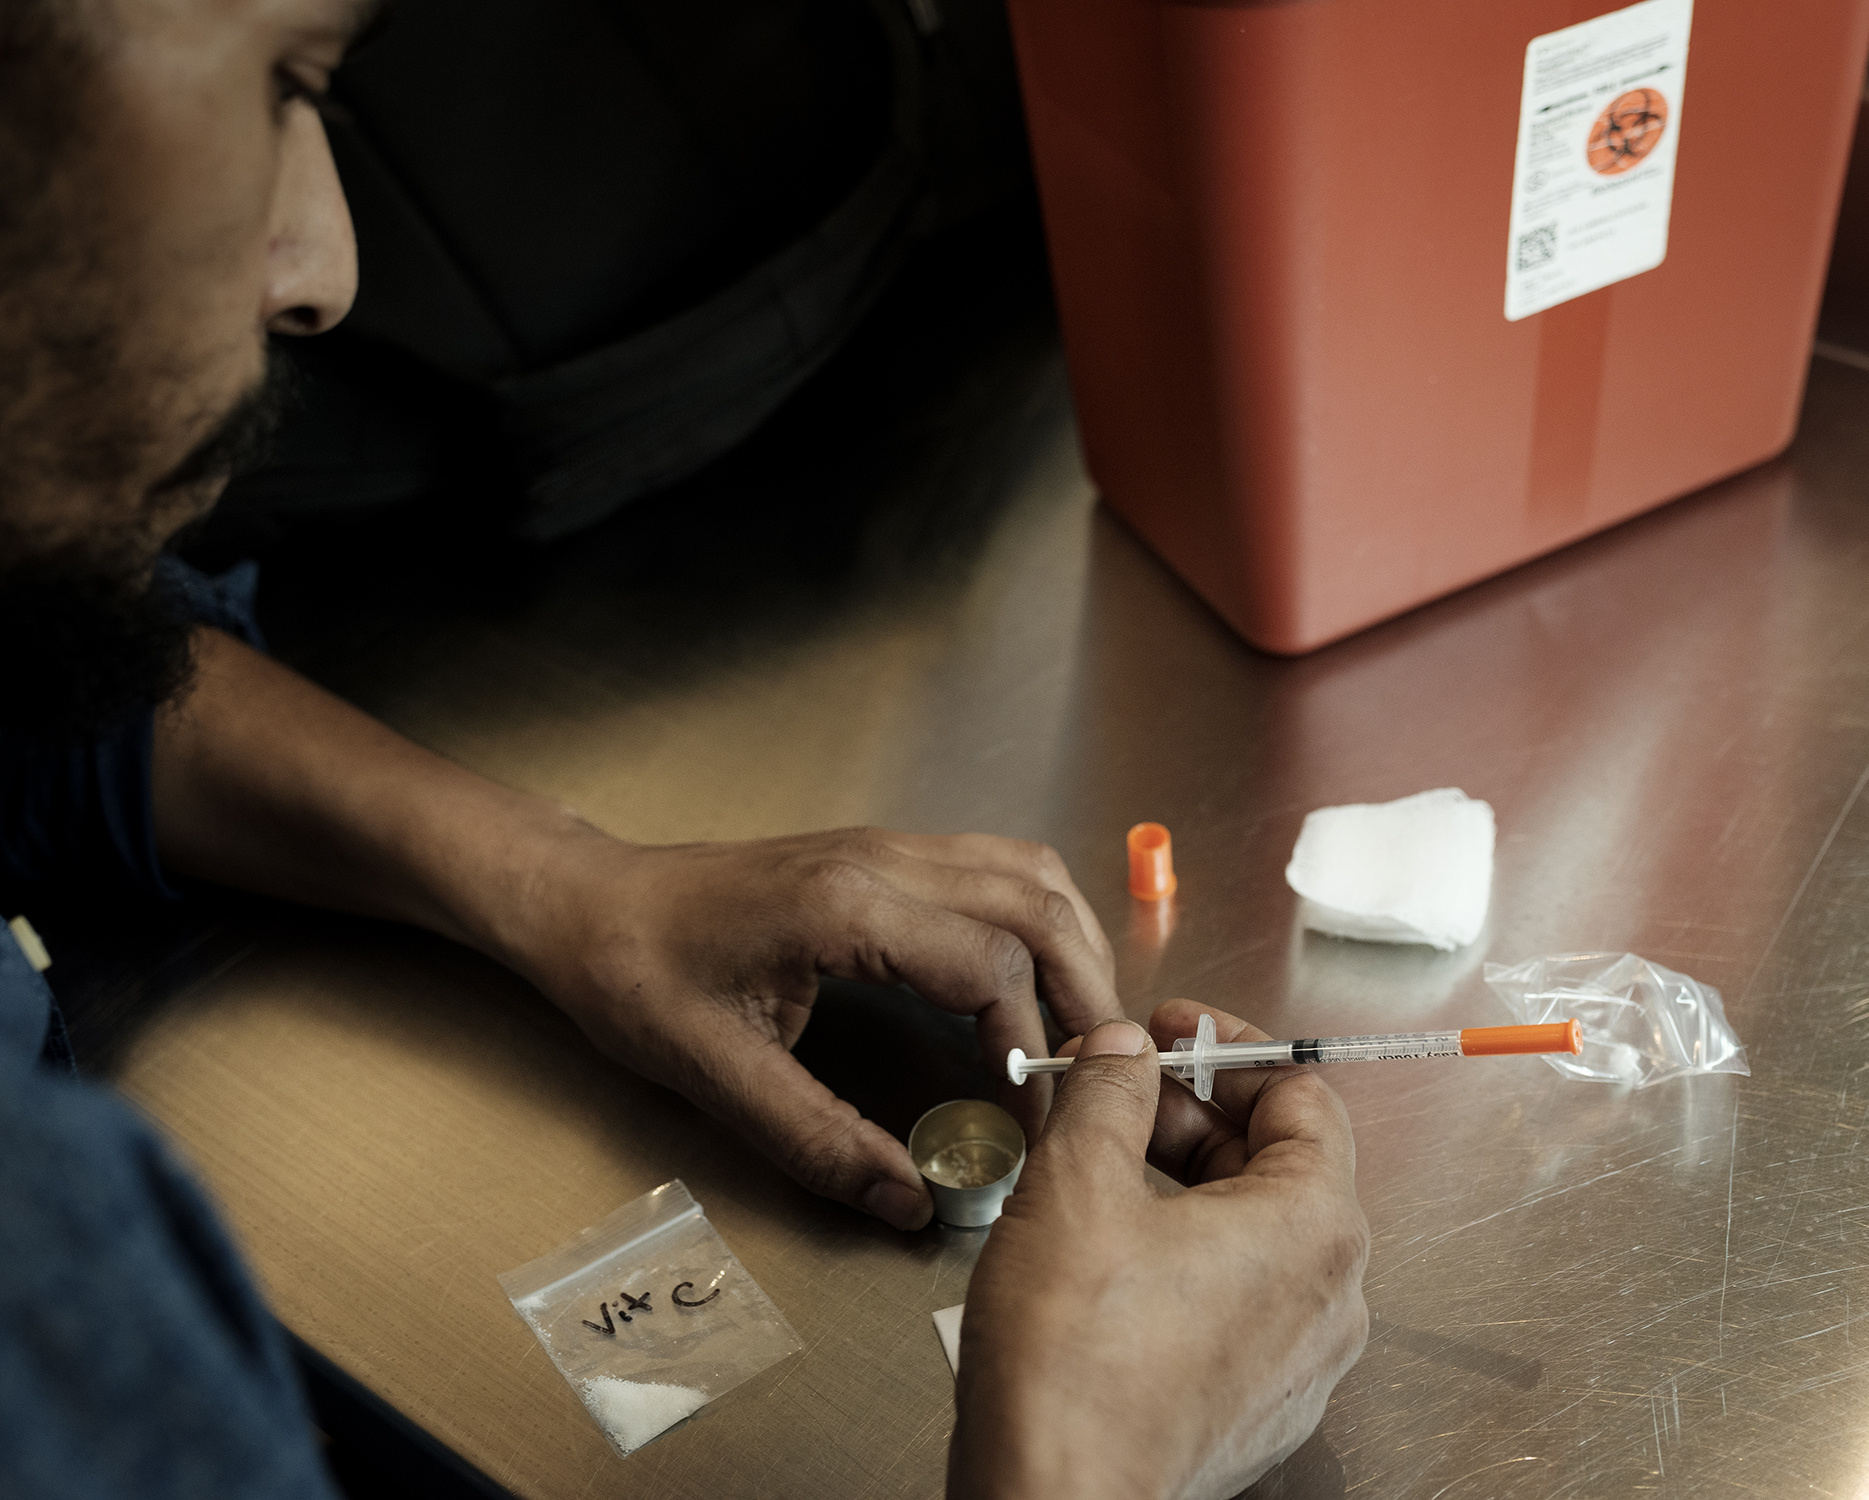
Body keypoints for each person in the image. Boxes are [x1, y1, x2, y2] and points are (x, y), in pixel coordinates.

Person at [0, 2, 1370, 1497]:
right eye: (284, 82)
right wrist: (1093, 1456)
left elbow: (42, 678)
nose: (329, 269)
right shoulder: (47, 1270)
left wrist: (571, 883)